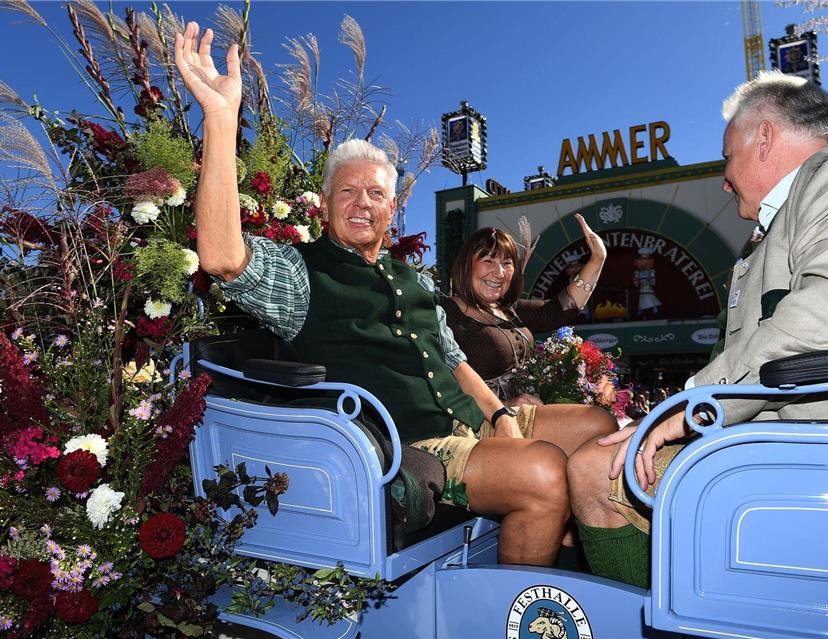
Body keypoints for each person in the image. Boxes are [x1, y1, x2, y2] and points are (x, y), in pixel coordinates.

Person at [175, 22, 613, 567]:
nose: (361, 204)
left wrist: (499, 414)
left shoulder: (414, 280)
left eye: (375, 194)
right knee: (545, 473)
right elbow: (219, 255)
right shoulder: (300, 274)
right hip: (413, 441)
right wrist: (220, 119)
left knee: (598, 428)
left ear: (392, 208)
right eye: (347, 191)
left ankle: (590, 571)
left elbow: (454, 362)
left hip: (468, 417)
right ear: (326, 202)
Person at [567, 70, 828, 588]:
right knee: (604, 458)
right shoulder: (776, 228)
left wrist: (690, 405)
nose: (723, 177)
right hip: (793, 438)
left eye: (726, 157)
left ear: (764, 137)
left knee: (594, 473)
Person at [443, 221, 608, 406]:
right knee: (597, 423)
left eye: (507, 263)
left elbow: (558, 310)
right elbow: (440, 387)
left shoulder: (509, 308)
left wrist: (597, 259)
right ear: (466, 266)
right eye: (488, 261)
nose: (499, 273)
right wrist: (505, 407)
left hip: (530, 411)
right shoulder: (443, 314)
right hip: (484, 423)